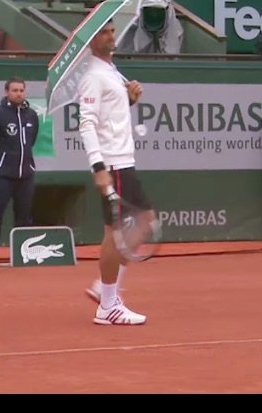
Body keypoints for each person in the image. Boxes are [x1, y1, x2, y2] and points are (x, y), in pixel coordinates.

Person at [79, 19, 149, 325]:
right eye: (103, 32)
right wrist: (98, 167)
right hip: (112, 165)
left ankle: (106, 290)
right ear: (92, 41)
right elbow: (87, 124)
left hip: (125, 162)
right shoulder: (93, 76)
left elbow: (112, 116)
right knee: (115, 234)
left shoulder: (111, 72)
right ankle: (108, 302)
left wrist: (129, 98)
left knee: (144, 223)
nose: (110, 36)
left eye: (111, 30)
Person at [0, 77, 39, 267]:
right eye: (14, 90)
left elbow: (31, 141)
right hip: (1, 175)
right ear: (7, 92)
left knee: (24, 216)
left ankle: (22, 253)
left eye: (21, 90)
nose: (18, 93)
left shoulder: (32, 116)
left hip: (25, 175)